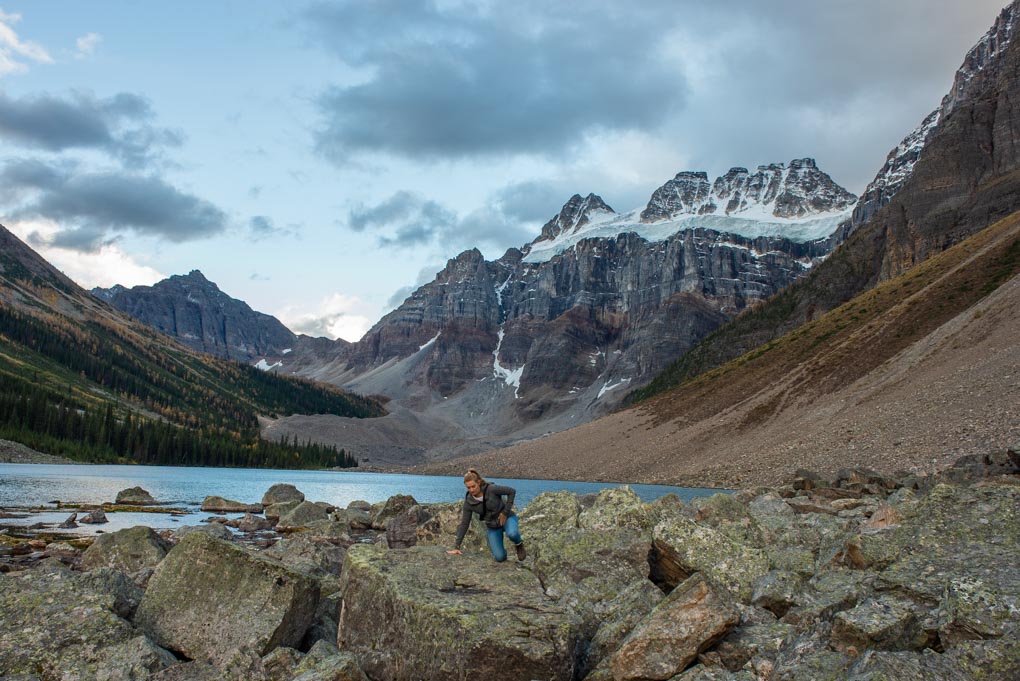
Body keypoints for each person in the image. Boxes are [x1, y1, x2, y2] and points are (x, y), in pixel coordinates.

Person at [446, 469, 526, 562]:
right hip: (493, 526)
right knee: (500, 558)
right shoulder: (468, 502)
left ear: (478, 482)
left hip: (507, 518)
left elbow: (512, 491)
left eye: (473, 486)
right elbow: (465, 523)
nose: (471, 490)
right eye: (468, 488)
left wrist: (505, 512)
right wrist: (457, 546)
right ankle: (503, 551)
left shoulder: (491, 489)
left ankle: (519, 544)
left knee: (512, 534)